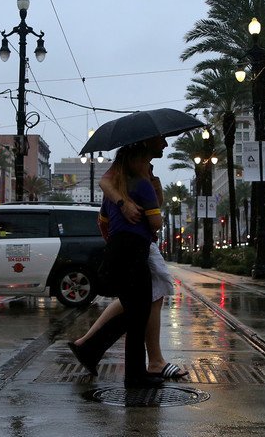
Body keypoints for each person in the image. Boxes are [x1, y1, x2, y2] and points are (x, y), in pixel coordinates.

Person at [70, 160, 188, 380]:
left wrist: (113, 240)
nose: (151, 169)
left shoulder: (114, 191)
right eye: (149, 166)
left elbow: (102, 221)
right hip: (142, 246)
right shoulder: (139, 186)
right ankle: (153, 362)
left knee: (134, 300)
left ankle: (88, 344)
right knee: (150, 297)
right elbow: (155, 221)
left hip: (126, 245)